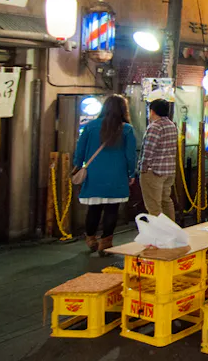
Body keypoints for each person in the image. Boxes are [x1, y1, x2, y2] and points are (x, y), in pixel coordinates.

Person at [73, 95, 137, 256]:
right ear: (123, 109)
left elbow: (80, 150)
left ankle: (90, 239)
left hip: (94, 173)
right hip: (116, 174)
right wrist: (131, 172)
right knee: (112, 210)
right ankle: (106, 242)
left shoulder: (90, 126)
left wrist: (76, 166)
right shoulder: (127, 129)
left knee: (93, 209)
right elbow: (130, 155)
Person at [139, 99, 179, 218]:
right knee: (166, 201)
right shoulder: (172, 125)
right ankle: (171, 230)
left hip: (154, 171)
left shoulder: (155, 127)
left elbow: (148, 150)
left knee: (153, 205)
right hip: (169, 171)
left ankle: (158, 233)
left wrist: (143, 167)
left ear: (152, 111)